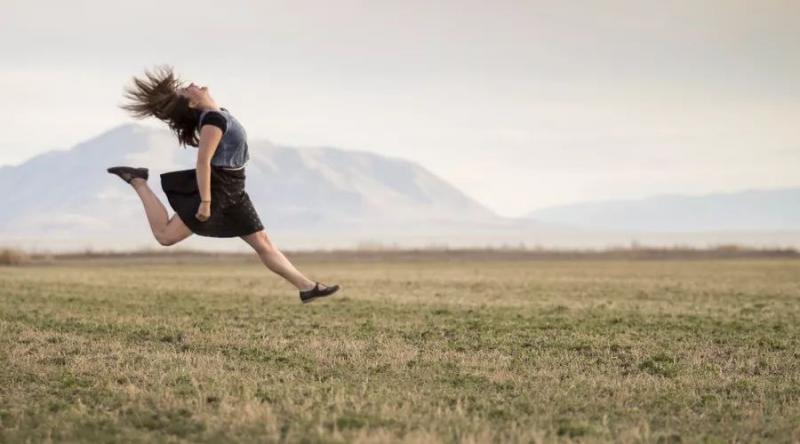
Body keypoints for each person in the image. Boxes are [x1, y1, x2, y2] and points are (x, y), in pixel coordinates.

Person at [107, 64, 339, 304]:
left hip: (234, 188)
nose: (193, 85)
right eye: (188, 90)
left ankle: (307, 287)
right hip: (219, 190)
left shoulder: (217, 114)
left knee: (263, 243)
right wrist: (206, 202)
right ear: (191, 103)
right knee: (165, 236)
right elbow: (203, 162)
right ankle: (138, 181)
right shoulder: (213, 121)